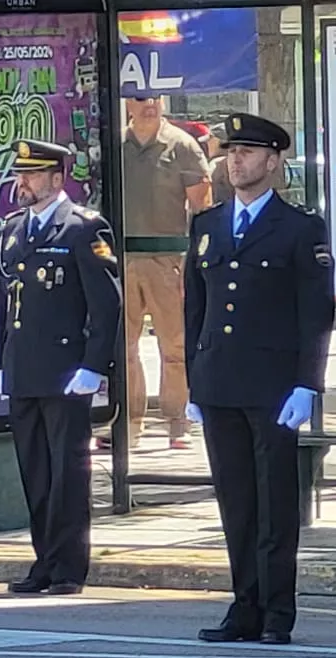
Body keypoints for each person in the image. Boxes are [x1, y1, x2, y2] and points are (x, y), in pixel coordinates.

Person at [183, 114, 333, 647]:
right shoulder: (207, 225)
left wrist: (307, 383)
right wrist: (194, 384)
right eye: (231, 151)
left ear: (272, 162)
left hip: (273, 387)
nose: (235, 160)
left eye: (247, 152)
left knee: (274, 506)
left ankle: (276, 611)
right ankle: (243, 605)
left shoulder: (299, 228)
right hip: (220, 382)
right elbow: (194, 312)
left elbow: (315, 314)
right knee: (236, 502)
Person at [0, 140, 121, 596]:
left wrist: (94, 365)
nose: (21, 183)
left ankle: (69, 566)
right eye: (19, 174)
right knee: (35, 471)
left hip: (66, 371)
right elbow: (7, 304)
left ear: (55, 178)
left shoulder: (83, 229)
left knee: (68, 472)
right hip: (25, 368)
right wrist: (0, 361)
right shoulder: (13, 229)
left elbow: (106, 306)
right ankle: (43, 561)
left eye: (31, 175)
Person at [119, 96, 210, 451]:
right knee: (122, 347)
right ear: (127, 103)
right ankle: (127, 421)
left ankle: (178, 419)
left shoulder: (182, 145)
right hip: (124, 257)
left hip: (170, 259)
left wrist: (195, 265)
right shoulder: (116, 144)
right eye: (140, 99)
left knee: (175, 344)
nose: (149, 105)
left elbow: (202, 208)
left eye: (154, 98)